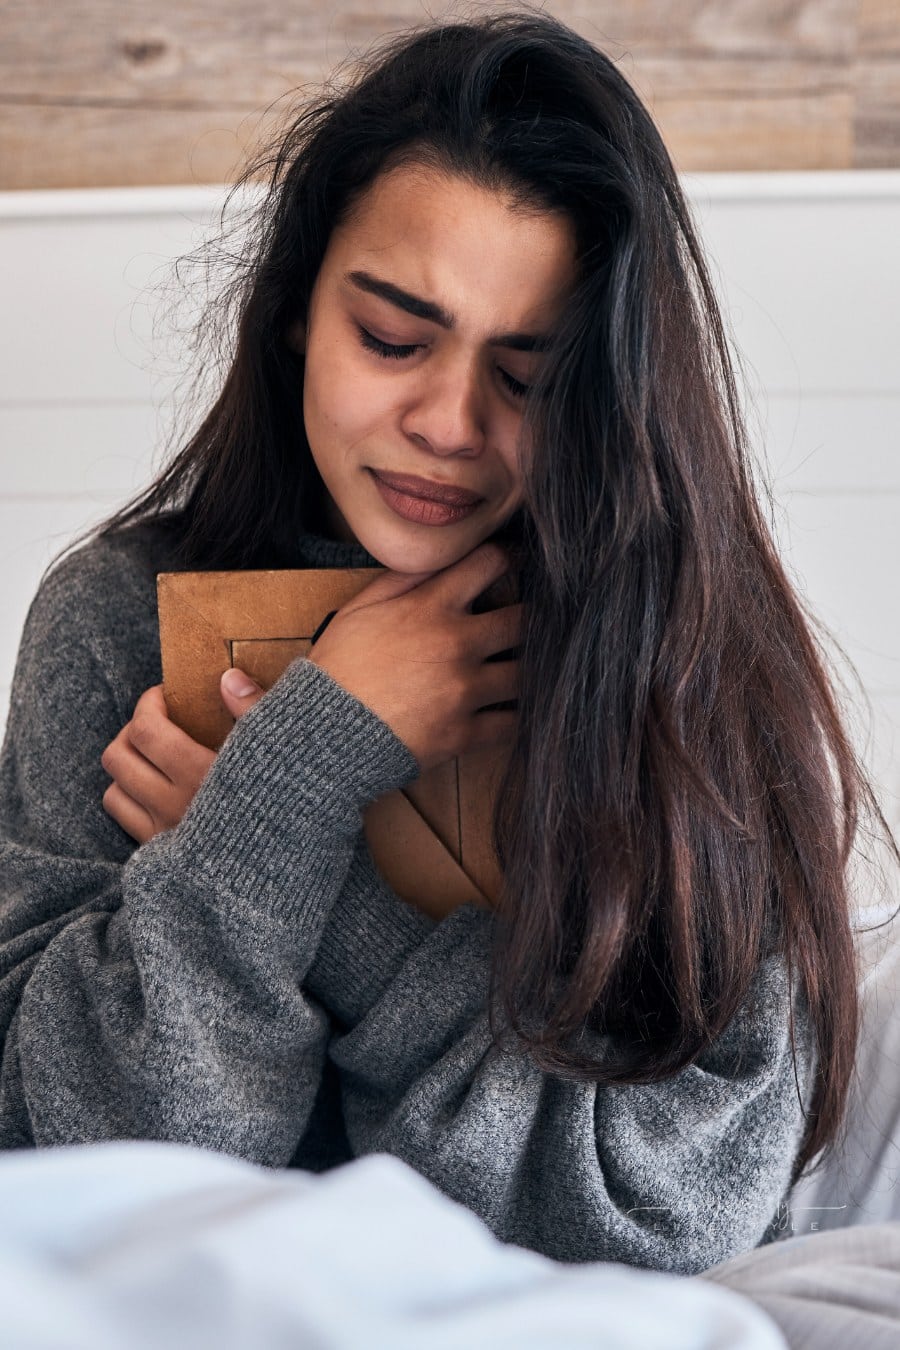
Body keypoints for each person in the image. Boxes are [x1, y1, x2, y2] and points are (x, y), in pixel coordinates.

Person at [1, 8, 894, 1275]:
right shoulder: (110, 617)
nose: (449, 423)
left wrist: (282, 823)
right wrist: (303, 769)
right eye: (391, 337)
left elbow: (654, 1227)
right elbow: (61, 1174)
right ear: (295, 313)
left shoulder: (682, 653)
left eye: (527, 378)